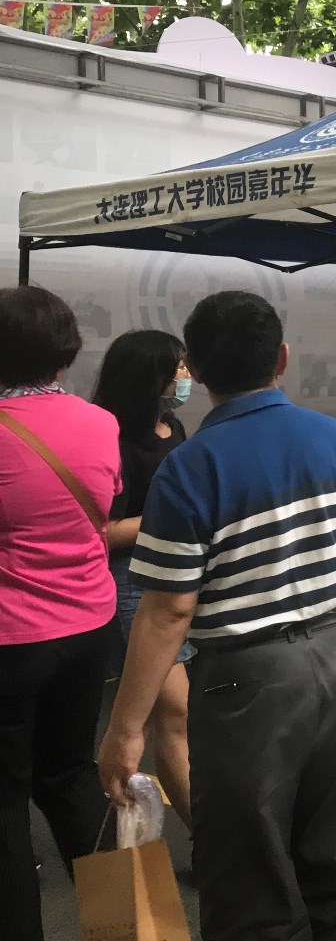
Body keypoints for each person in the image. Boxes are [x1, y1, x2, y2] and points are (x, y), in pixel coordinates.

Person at [98, 291, 336, 941]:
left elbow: (167, 611)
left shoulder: (190, 468)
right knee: (332, 860)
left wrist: (124, 730)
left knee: (248, 882)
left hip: (248, 686)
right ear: (282, 359)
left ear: (198, 368)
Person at [0, 287, 121, 941]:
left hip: (12, 638)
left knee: (5, 803)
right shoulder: (100, 423)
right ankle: (130, 926)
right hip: (89, 626)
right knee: (71, 778)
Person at [91, 328, 195, 828]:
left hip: (181, 577)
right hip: (132, 583)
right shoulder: (111, 439)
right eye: (178, 367)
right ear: (150, 376)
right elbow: (103, 532)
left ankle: (211, 843)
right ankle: (214, 845)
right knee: (173, 712)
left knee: (172, 717)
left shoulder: (172, 426)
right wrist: (166, 517)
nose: (187, 375)